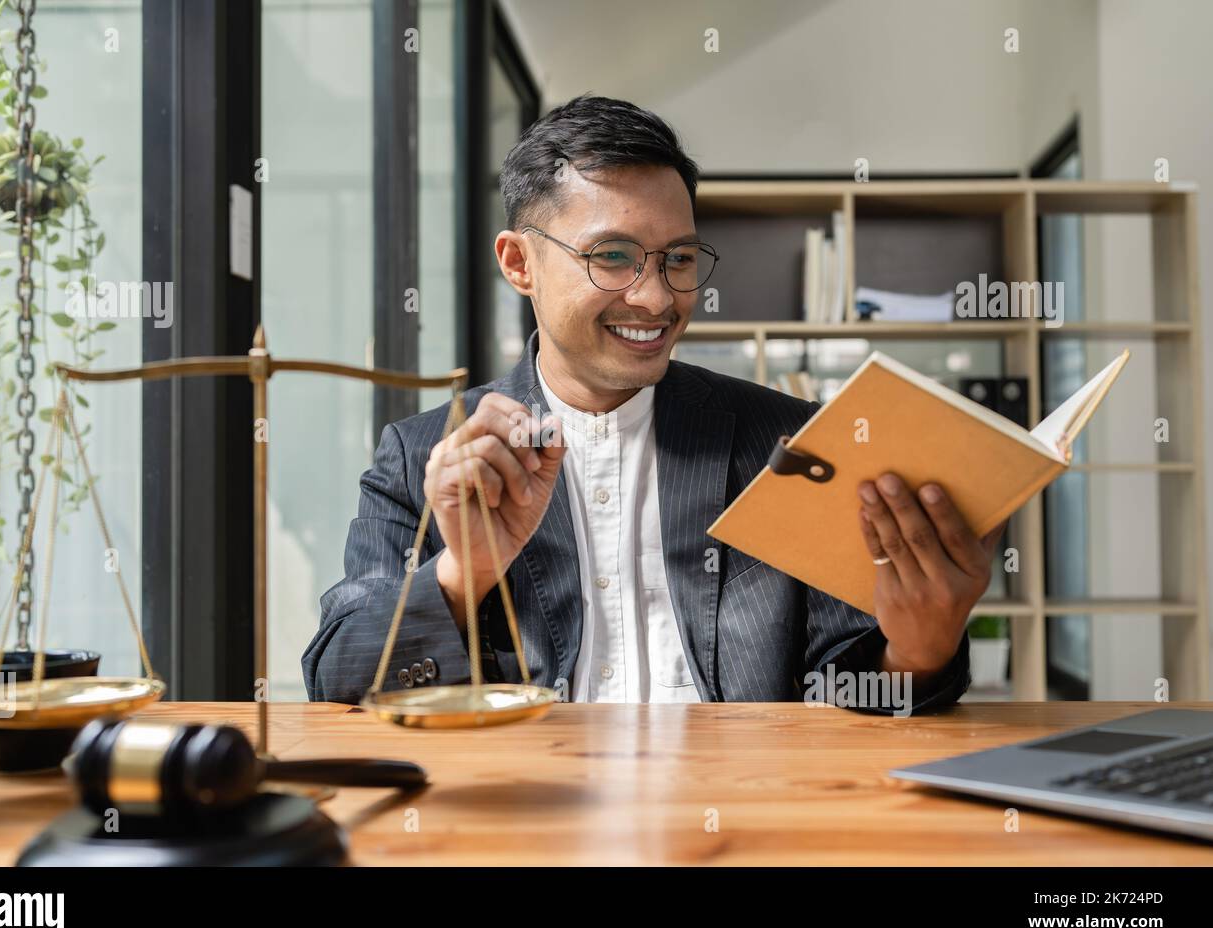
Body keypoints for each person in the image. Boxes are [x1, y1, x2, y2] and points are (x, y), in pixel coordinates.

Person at [303, 95, 1002, 712]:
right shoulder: (427, 454)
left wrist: (919, 650)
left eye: (678, 258)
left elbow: (848, 684)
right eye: (612, 256)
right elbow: (339, 679)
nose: (658, 297)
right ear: (519, 263)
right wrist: (464, 572)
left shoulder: (785, 441)